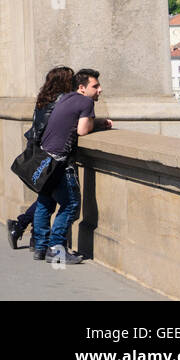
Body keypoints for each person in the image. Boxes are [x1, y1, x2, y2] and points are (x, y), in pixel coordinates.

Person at [32, 68, 114, 264]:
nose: (100, 90)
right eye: (95, 86)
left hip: (45, 158)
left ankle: (40, 247)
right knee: (70, 205)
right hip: (61, 161)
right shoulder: (85, 102)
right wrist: (101, 123)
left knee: (45, 202)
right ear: (82, 88)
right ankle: (56, 250)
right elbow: (83, 130)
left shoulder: (65, 98)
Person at [8, 66, 75, 252]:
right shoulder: (61, 102)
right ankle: (27, 230)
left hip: (38, 150)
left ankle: (30, 234)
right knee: (52, 197)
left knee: (46, 195)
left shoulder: (44, 99)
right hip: (50, 154)